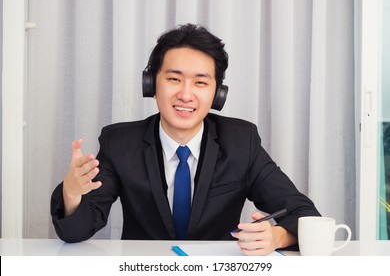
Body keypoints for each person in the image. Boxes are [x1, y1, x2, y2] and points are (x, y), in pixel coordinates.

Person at [51, 23, 321, 256]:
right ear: (151, 86)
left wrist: (278, 237)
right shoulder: (119, 142)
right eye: (174, 79)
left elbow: (305, 215)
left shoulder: (241, 141)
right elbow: (76, 232)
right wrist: (72, 192)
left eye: (200, 82)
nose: (185, 94)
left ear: (217, 95)